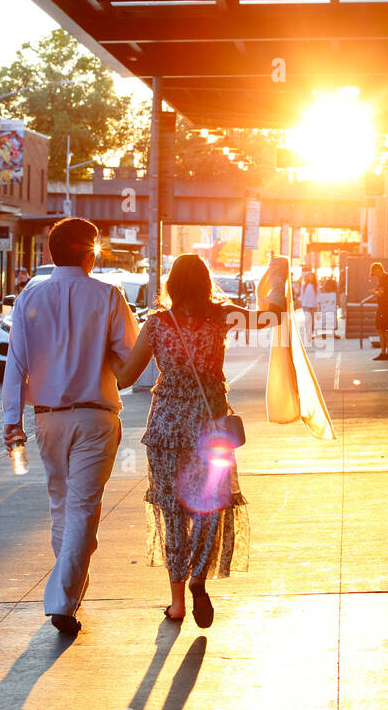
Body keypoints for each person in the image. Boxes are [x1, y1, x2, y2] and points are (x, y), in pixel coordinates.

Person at [115, 253, 282, 628]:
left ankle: (176, 604)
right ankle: (199, 580)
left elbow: (125, 377)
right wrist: (277, 277)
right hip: (211, 429)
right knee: (209, 506)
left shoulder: (158, 324)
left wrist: (104, 352)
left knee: (172, 512)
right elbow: (273, 317)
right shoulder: (222, 316)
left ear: (171, 285)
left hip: (167, 431)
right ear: (207, 284)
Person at [2, 218, 138, 638]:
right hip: (95, 417)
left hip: (47, 420)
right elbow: (131, 363)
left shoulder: (29, 297)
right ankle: (62, 600)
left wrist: (12, 421)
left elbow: (15, 362)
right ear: (88, 252)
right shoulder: (108, 296)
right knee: (81, 510)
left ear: (48, 254)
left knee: (63, 507)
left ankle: (70, 593)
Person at [369, 262, 388, 361]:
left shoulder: (385, 279)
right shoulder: (384, 279)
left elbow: (381, 294)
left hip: (386, 308)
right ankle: (385, 353)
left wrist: (373, 292)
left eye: (375, 273)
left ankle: (387, 353)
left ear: (378, 270)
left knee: (385, 330)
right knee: (382, 330)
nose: (375, 276)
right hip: (384, 307)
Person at [298, 270, 319, 343]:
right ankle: (307, 333)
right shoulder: (304, 285)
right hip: (306, 305)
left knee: (312, 321)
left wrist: (319, 305)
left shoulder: (316, 286)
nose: (310, 278)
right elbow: (302, 295)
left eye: (312, 276)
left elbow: (318, 296)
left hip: (314, 305)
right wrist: (300, 303)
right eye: (309, 276)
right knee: (307, 319)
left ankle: (311, 333)